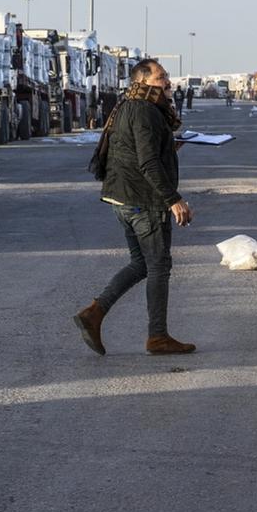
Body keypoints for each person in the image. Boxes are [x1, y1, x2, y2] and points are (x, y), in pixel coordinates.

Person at [73, 58, 196, 357]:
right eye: (161, 77)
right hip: (142, 200)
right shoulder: (144, 111)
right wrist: (173, 199)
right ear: (143, 81)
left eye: (166, 77)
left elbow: (136, 149)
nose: (167, 82)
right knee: (158, 266)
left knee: (142, 263)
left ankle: (94, 313)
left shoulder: (131, 104)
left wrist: (169, 145)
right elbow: (147, 161)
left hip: (123, 198)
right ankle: (158, 337)